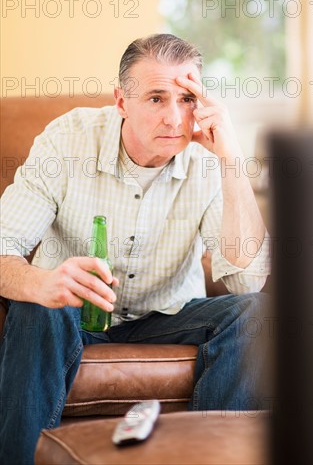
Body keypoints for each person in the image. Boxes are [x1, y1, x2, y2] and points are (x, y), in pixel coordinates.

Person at [0, 34, 272, 463]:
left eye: (186, 98)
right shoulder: (67, 140)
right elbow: (3, 245)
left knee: (259, 312)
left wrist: (231, 159)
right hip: (69, 312)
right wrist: (41, 283)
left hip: (165, 316)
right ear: (121, 101)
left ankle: (213, 457)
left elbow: (248, 281)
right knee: (36, 306)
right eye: (156, 98)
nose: (174, 118)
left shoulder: (207, 161)